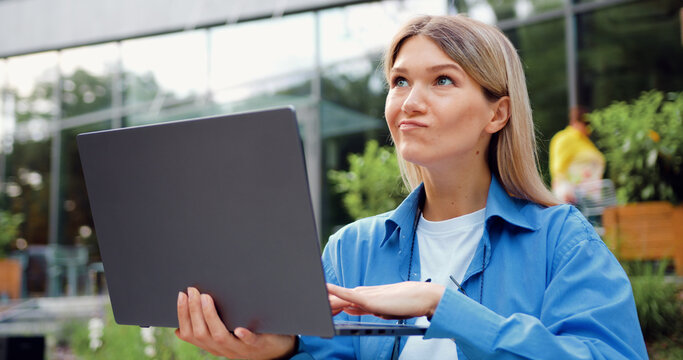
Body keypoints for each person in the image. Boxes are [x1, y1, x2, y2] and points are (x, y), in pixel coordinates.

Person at [175, 14, 647, 359]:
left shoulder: (561, 240)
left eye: (442, 80)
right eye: (399, 81)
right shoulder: (351, 249)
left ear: (497, 113)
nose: (410, 102)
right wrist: (276, 351)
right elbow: (318, 354)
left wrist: (443, 305)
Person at [549, 106, 606, 204]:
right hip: (571, 196)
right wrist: (565, 189)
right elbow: (558, 167)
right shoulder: (564, 138)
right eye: (586, 125)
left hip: (589, 198)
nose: (589, 131)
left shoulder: (585, 142)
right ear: (577, 122)